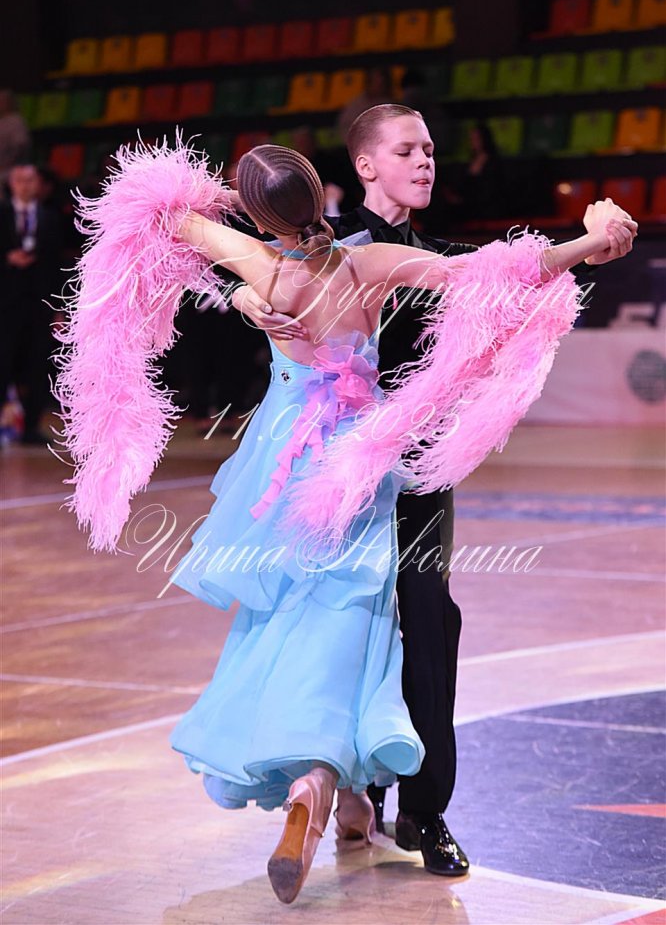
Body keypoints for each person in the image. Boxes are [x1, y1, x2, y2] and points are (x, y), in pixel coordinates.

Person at [56, 140, 635, 906]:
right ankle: (328, 785)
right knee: (355, 622)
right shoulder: (366, 265)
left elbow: (158, 216)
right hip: (355, 466)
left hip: (279, 469)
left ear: (260, 215)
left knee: (292, 617)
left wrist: (239, 284)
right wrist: (589, 240)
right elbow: (491, 272)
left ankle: (323, 790)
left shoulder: (266, 268)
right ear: (322, 194)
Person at [229, 105, 632, 877]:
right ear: (365, 165)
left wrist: (587, 241)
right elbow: (253, 273)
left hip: (415, 474)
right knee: (343, 631)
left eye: (431, 150)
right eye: (407, 150)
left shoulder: (432, 253)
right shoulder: (327, 243)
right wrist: (249, 302)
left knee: (428, 621)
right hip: (335, 479)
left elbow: (510, 270)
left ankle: (423, 809)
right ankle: (353, 791)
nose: (426, 162)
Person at [0, 163, 63, 445]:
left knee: (38, 364)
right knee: (3, 361)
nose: (25, 186)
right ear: (11, 184)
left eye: (30, 180)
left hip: (39, 305)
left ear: (38, 184)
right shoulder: (2, 214)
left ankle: (31, 425)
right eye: (20, 180)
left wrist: (58, 308)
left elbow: (57, 265)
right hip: (5, 304)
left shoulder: (50, 217)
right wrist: (7, 258)